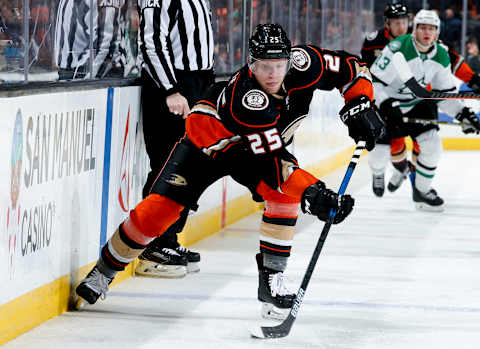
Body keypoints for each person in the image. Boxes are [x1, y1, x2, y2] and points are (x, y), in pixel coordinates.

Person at [75, 23, 385, 320]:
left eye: (279, 64)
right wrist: (316, 193)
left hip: (260, 148)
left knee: (282, 197)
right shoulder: (248, 99)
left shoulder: (306, 64)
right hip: (207, 145)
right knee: (158, 212)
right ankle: (103, 272)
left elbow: (352, 68)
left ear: (291, 59)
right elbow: (274, 163)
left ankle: (271, 282)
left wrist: (361, 102)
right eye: (265, 66)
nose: (274, 73)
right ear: (251, 63)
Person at [362, 4, 480, 197]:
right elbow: (371, 80)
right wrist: (382, 102)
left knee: (430, 145)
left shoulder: (438, 50)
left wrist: (463, 111)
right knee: (382, 147)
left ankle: (419, 187)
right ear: (414, 29)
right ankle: (381, 172)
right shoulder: (391, 46)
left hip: (416, 101)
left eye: (432, 29)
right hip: (387, 100)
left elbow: (444, 90)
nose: (427, 32)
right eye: (423, 28)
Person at [135, 0, 215, 278]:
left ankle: (168, 239)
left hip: (197, 83)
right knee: (167, 163)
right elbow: (152, 42)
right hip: (173, 86)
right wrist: (170, 89)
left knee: (189, 166)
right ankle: (153, 244)